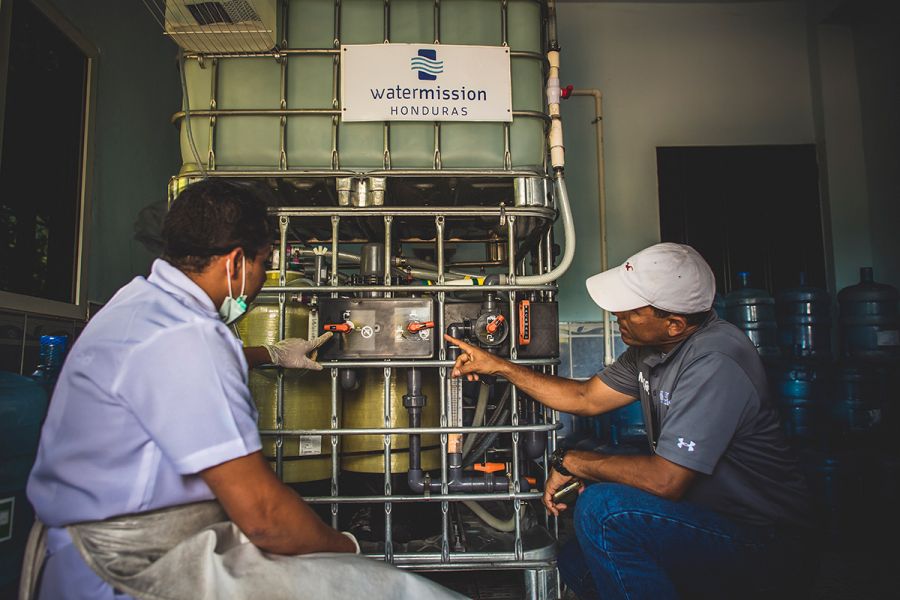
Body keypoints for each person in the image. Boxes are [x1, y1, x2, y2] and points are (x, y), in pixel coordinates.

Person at [24, 179, 463, 600]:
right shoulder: (187, 338)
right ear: (236, 262)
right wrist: (347, 548)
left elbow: (170, 376)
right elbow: (265, 518)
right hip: (132, 568)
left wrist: (269, 354)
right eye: (264, 264)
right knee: (395, 591)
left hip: (93, 548)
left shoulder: (138, 306)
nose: (261, 279)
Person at [446, 243, 816, 599]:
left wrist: (575, 462)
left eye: (630, 310)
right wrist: (499, 366)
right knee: (576, 563)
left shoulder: (715, 362)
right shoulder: (653, 350)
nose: (617, 315)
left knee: (605, 511)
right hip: (707, 518)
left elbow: (665, 480)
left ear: (673, 323)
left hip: (762, 540)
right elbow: (584, 398)